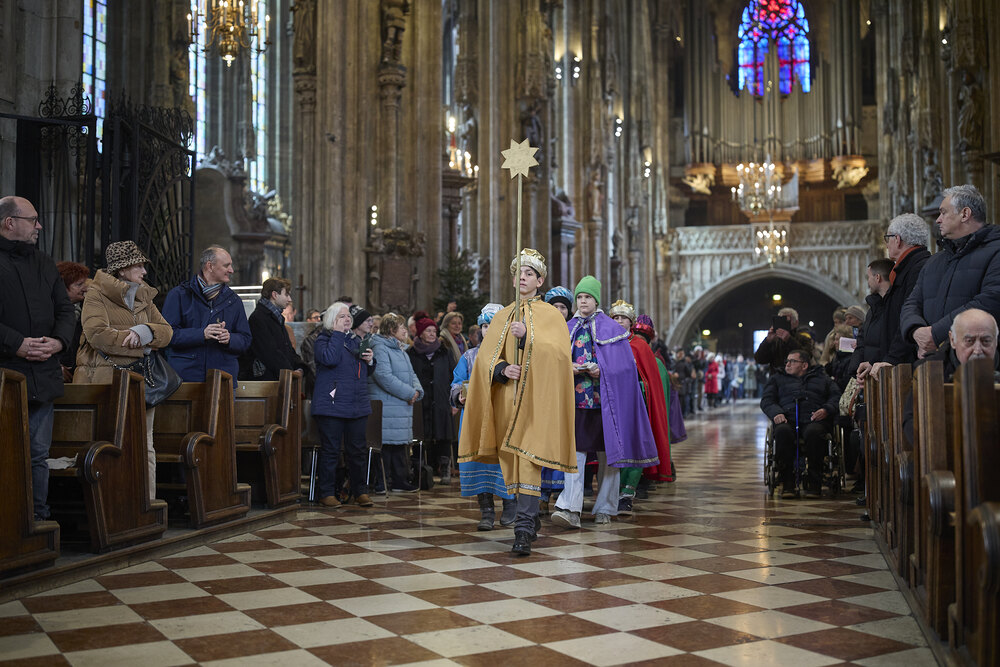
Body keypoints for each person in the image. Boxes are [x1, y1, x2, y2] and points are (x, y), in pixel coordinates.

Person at [459, 249, 577, 556]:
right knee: (512, 463)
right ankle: (530, 517)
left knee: (528, 462)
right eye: (518, 273)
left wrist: (527, 338)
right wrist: (501, 369)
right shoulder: (503, 316)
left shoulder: (551, 316)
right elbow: (485, 360)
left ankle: (522, 529)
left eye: (529, 274)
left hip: (535, 403)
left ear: (540, 281)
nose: (522, 278)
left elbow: (560, 357)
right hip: (507, 402)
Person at [551, 276, 657, 531]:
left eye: (587, 297)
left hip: (605, 404)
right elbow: (554, 361)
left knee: (609, 458)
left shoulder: (612, 329)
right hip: (576, 403)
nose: (583, 301)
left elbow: (626, 368)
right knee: (574, 456)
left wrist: (603, 370)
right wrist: (568, 367)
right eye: (579, 297)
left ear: (596, 300)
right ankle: (570, 508)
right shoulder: (567, 327)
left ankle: (606, 507)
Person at [74, 241, 173, 500]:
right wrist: (139, 343)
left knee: (145, 443)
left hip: (140, 380)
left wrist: (145, 331)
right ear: (122, 269)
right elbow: (97, 335)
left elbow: (167, 332)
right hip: (104, 380)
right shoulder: (96, 294)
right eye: (138, 266)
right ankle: (113, 506)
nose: (144, 271)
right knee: (110, 445)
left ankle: (147, 504)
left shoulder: (144, 295)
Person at [0, 196, 76, 521]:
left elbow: (65, 310)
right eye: (33, 220)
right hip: (5, 375)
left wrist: (58, 342)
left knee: (38, 454)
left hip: (42, 376)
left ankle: (38, 522)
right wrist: (16, 343)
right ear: (9, 222)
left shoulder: (44, 262)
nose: (39, 226)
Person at [901, 185, 1000, 359]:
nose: (938, 220)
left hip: (980, 361)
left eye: (943, 212)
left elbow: (991, 300)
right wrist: (916, 332)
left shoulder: (996, 251)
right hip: (934, 362)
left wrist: (936, 334)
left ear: (965, 214)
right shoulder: (934, 261)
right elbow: (911, 302)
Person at [451, 303, 516, 530]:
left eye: (493, 325)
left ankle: (510, 504)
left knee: (503, 459)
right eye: (485, 326)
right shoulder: (469, 356)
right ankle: (486, 509)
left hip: (502, 418)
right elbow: (457, 381)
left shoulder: (512, 355)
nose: (489, 330)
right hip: (476, 418)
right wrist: (459, 394)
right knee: (478, 460)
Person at [609, 301, 673, 515]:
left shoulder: (640, 345)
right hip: (612, 405)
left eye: (623, 318)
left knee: (635, 448)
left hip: (637, 405)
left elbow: (649, 380)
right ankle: (611, 493)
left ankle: (627, 494)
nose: (619, 322)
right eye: (616, 318)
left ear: (631, 323)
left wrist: (636, 385)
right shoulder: (604, 343)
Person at [312, 301, 375, 508]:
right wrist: (338, 334)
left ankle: (360, 491)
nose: (347, 319)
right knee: (331, 451)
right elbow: (329, 359)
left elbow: (364, 371)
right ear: (332, 320)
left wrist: (370, 361)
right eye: (342, 316)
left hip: (356, 403)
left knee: (357, 451)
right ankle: (326, 493)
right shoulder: (323, 339)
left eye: (348, 316)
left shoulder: (355, 341)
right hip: (332, 404)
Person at [162, 245, 251, 385]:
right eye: (226, 265)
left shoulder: (234, 300)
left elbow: (246, 339)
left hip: (223, 379)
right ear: (210, 266)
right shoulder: (178, 295)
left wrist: (230, 338)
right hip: (185, 378)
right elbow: (166, 335)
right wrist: (201, 334)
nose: (231, 270)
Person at [760, 349, 841, 499]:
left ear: (804, 365)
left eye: (792, 361)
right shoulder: (777, 379)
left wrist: (826, 409)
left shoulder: (822, 378)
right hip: (787, 418)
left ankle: (814, 482)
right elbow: (767, 400)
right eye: (787, 361)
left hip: (814, 419)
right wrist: (776, 413)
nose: (787, 364)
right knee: (782, 432)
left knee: (815, 433)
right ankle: (787, 482)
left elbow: (836, 397)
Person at [369, 312, 423, 493]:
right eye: (402, 327)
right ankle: (383, 481)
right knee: (386, 445)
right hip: (387, 405)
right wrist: (409, 393)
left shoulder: (400, 349)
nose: (405, 330)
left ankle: (399, 480)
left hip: (400, 404)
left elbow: (411, 373)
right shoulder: (380, 347)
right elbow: (383, 376)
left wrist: (417, 391)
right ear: (392, 330)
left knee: (399, 445)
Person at [538, 285, 574, 513]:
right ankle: (542, 495)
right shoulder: (539, 330)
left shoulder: (574, 330)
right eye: (555, 307)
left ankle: (562, 496)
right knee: (543, 446)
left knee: (562, 446)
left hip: (567, 394)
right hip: (544, 394)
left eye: (563, 307)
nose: (559, 311)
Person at [408, 315, 455, 483]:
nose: (432, 334)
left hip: (442, 399)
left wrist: (454, 401)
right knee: (421, 434)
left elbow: (453, 376)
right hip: (421, 401)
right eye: (428, 331)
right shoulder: (411, 353)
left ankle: (445, 468)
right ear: (420, 333)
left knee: (443, 434)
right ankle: (420, 469)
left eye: (434, 331)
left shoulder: (444, 352)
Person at [239, 277, 304, 381]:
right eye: (286, 295)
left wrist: (299, 367)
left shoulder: (276, 317)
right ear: (274, 295)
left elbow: (287, 349)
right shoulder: (258, 318)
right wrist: (290, 372)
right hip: (266, 381)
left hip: (279, 377)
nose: (289, 299)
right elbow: (270, 353)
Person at [754, 306, 817, 371]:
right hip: (776, 376)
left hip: (797, 376)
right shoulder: (774, 341)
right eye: (781, 320)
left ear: (796, 323)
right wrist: (767, 341)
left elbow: (807, 357)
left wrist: (789, 340)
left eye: (787, 321)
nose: (783, 324)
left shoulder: (804, 339)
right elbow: (760, 359)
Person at [56, 261, 90, 382]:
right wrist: (54, 366)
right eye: (79, 284)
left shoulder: (86, 307)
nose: (85, 288)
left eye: (84, 283)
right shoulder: (49, 312)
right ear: (63, 288)